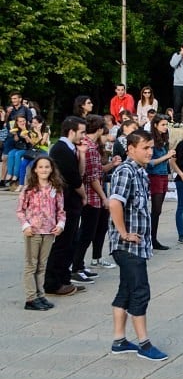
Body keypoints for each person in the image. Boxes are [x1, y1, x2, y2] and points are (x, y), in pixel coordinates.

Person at [108, 129, 169, 362]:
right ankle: (144, 343)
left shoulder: (140, 172)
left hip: (137, 245)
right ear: (131, 148)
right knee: (140, 291)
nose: (149, 152)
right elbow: (114, 203)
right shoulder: (126, 171)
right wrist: (123, 233)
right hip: (127, 247)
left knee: (125, 290)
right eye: (145, 147)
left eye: (151, 147)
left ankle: (119, 340)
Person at [43, 117, 87, 297]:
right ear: (71, 131)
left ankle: (64, 278)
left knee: (70, 242)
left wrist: (82, 154)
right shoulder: (61, 150)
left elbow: (79, 173)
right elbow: (74, 179)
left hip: (70, 202)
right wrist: (84, 196)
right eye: (82, 132)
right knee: (63, 243)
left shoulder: (70, 149)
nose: (84, 136)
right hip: (66, 203)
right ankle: (53, 282)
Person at [17, 157, 65, 310]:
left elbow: (61, 210)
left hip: (49, 232)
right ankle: (31, 298)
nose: (44, 169)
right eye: (41, 167)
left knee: (42, 265)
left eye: (47, 167)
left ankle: (40, 295)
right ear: (35, 170)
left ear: (51, 169)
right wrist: (25, 225)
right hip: (33, 231)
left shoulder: (55, 188)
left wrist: (60, 225)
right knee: (31, 264)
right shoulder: (29, 189)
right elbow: (20, 210)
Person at [72, 115, 116, 283]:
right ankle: (76, 267)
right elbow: (92, 177)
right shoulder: (90, 148)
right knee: (86, 233)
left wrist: (111, 165)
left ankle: (80, 265)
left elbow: (97, 171)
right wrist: (104, 197)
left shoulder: (92, 147)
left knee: (90, 232)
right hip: (91, 197)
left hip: (93, 196)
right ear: (99, 129)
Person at [146, 116, 175, 250]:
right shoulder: (152, 140)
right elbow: (150, 163)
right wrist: (166, 156)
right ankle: (151, 238)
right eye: (163, 124)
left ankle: (153, 238)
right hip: (155, 175)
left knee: (158, 210)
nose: (165, 127)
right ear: (156, 125)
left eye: (166, 124)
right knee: (156, 209)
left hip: (163, 175)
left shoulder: (163, 139)